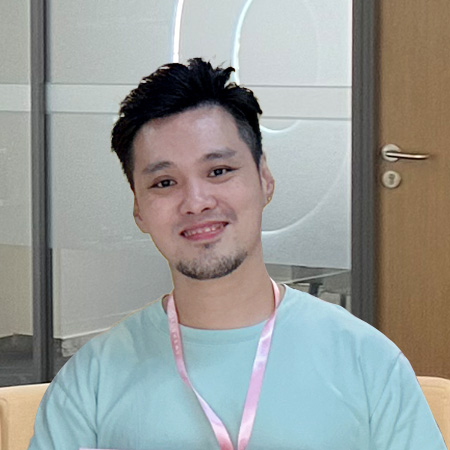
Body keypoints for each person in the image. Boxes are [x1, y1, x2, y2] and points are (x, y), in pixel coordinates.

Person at [28, 59, 447, 450]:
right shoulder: (92, 382)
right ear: (138, 209)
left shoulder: (366, 362)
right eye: (164, 183)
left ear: (264, 179)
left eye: (219, 171)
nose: (196, 201)